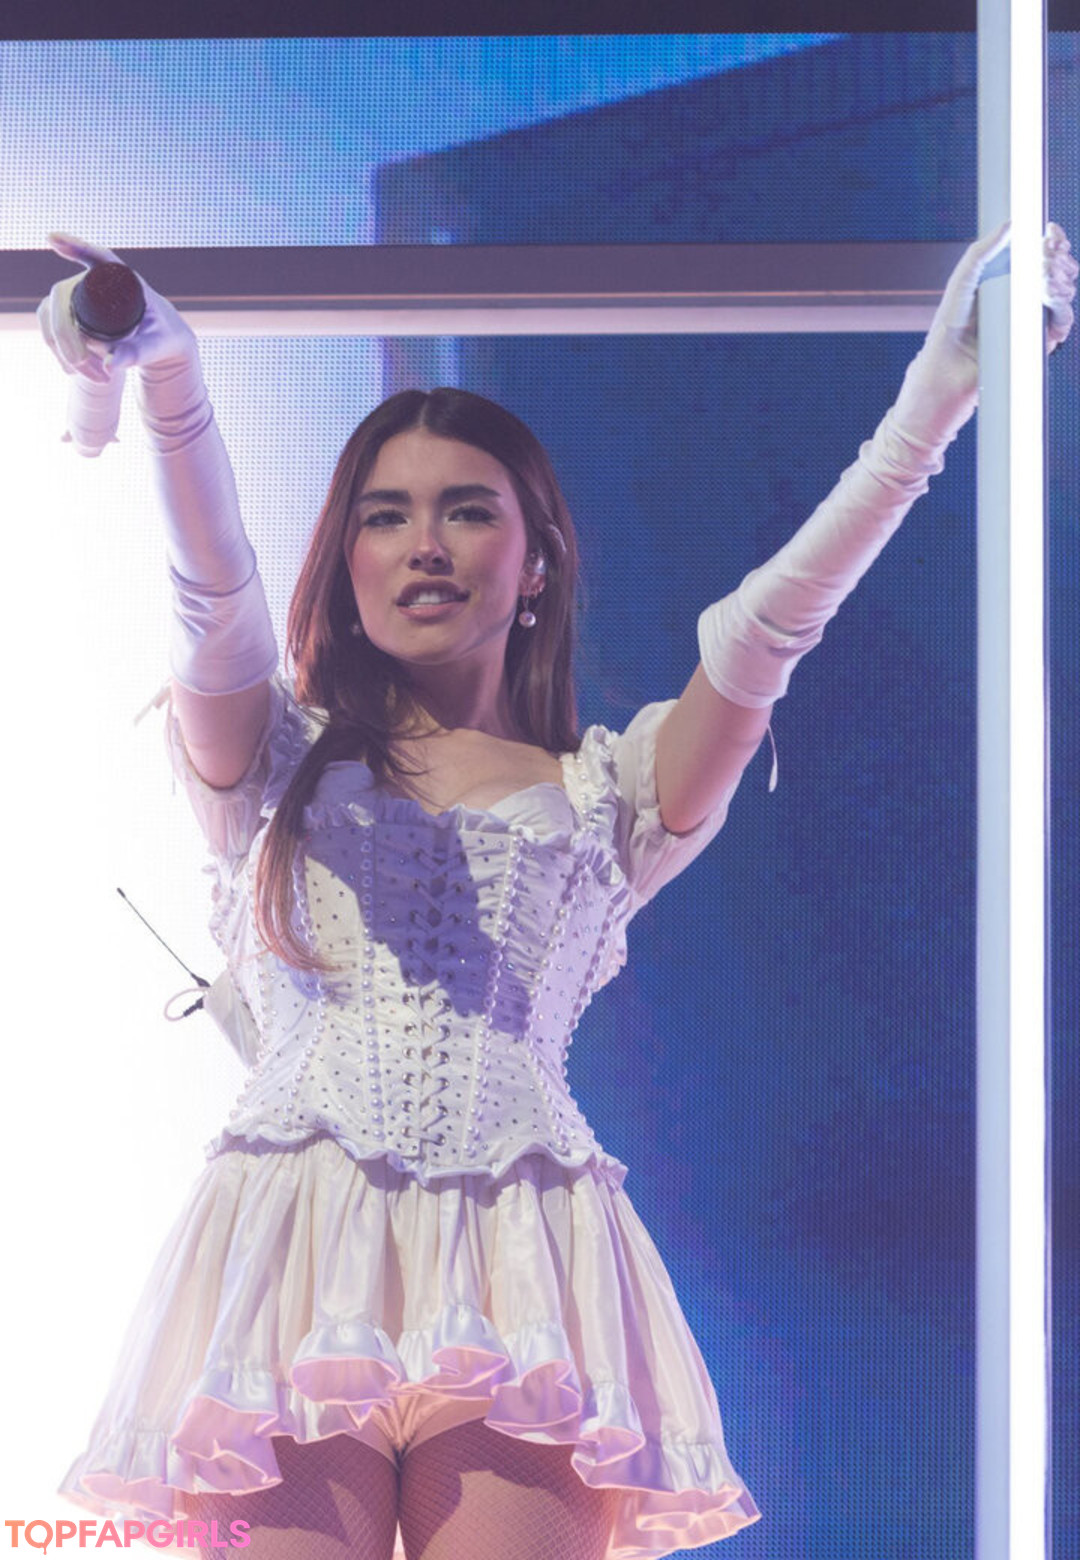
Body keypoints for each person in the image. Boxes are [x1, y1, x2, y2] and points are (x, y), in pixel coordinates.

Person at [40, 223, 1075, 1560]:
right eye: (385, 514)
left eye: (468, 509)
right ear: (345, 564)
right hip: (288, 1257)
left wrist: (941, 394)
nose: (424, 543)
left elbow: (773, 627)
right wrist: (173, 382)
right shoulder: (270, 765)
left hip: (526, 1270)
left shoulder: (611, 793)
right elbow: (211, 598)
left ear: (536, 563)